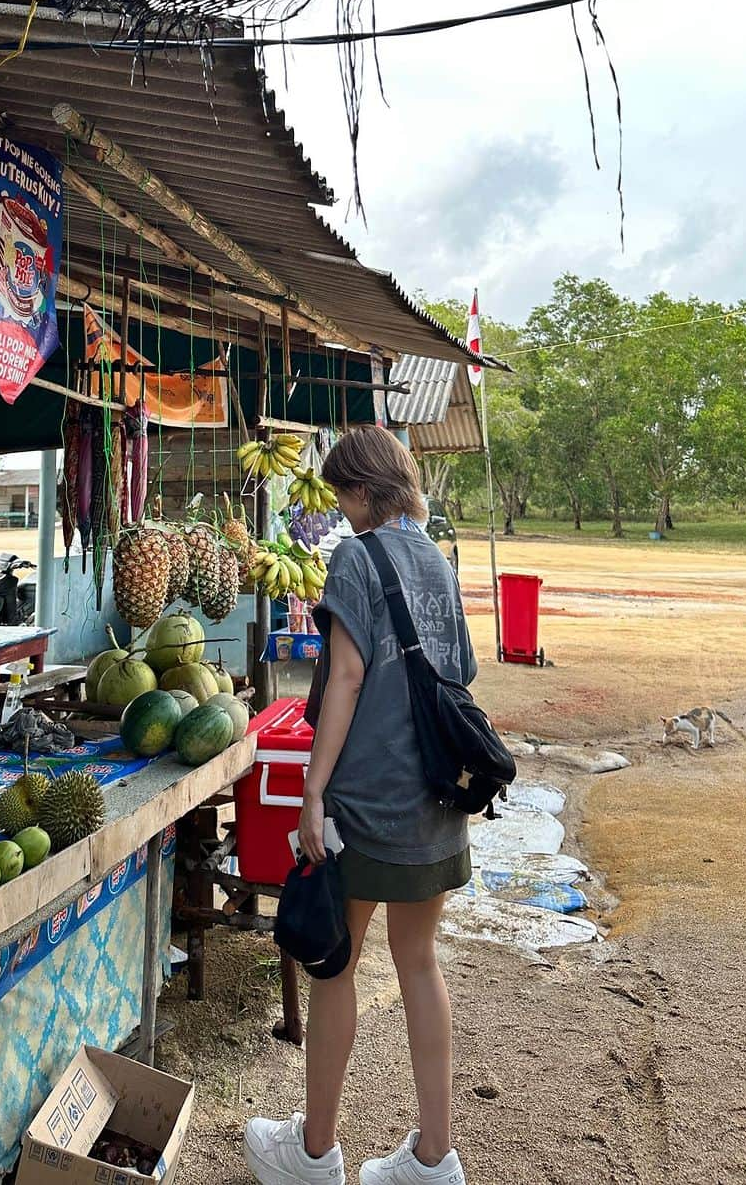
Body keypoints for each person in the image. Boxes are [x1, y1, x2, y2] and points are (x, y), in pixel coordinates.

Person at [244, 426, 476, 1185]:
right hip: (436, 798)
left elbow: (342, 679)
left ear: (365, 492)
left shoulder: (358, 556)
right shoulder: (438, 562)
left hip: (368, 799)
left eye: (344, 494)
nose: (340, 511)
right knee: (418, 962)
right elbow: (460, 671)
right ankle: (435, 1161)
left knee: (334, 964)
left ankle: (313, 1152)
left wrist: (311, 793)